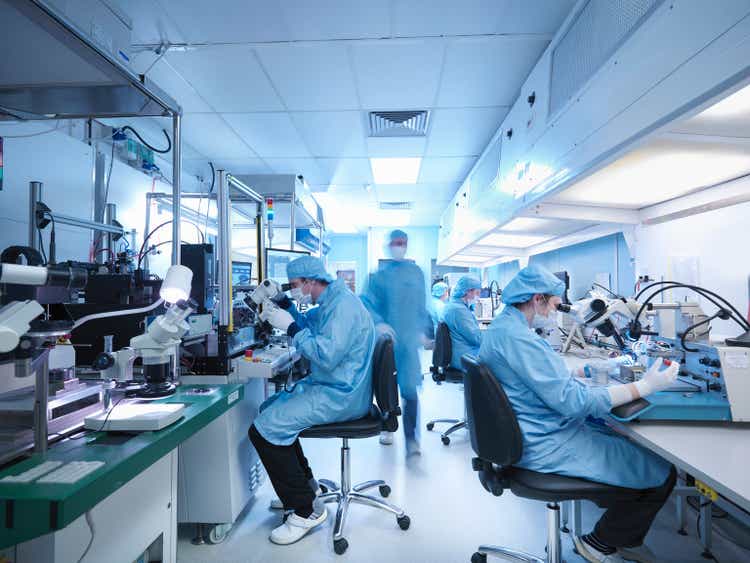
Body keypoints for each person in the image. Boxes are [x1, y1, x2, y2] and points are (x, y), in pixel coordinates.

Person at [478, 264, 679, 563]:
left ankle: (624, 539)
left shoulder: (505, 328)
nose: (559, 307)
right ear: (537, 299)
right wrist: (644, 386)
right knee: (661, 471)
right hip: (544, 443)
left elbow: (534, 377)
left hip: (527, 432)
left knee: (615, 438)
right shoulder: (519, 338)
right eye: (556, 301)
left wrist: (587, 369)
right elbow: (574, 403)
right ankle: (601, 542)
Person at [247, 255, 375, 546]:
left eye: (293, 285)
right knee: (271, 410)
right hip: (334, 386)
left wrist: (290, 327)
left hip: (341, 394)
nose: (293, 288)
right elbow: (312, 327)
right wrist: (286, 306)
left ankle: (305, 510)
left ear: (309, 281)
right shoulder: (332, 301)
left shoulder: (342, 307)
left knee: (263, 428)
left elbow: (325, 354)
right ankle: (307, 489)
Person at [361, 229, 428, 457]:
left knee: (409, 390)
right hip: (387, 342)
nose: (400, 246)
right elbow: (367, 304)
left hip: (409, 342)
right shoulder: (378, 276)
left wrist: (424, 331)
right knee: (386, 388)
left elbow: (422, 307)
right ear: (389, 245)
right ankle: (388, 427)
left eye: (403, 242)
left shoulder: (417, 273)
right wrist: (378, 323)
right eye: (396, 242)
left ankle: (412, 440)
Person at [441, 275, 483, 370]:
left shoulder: (454, 305)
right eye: (477, 293)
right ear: (467, 291)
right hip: (466, 357)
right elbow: (477, 339)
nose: (478, 297)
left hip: (460, 354)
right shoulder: (459, 310)